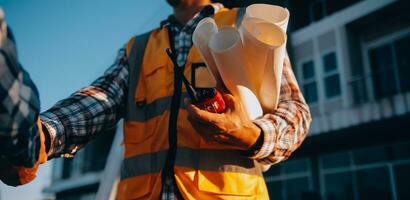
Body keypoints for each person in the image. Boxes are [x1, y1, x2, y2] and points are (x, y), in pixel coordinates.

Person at [0, 0, 312, 199]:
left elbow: (295, 113)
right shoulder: (136, 48)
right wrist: (40, 136)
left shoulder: (250, 27)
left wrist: (251, 134)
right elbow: (100, 100)